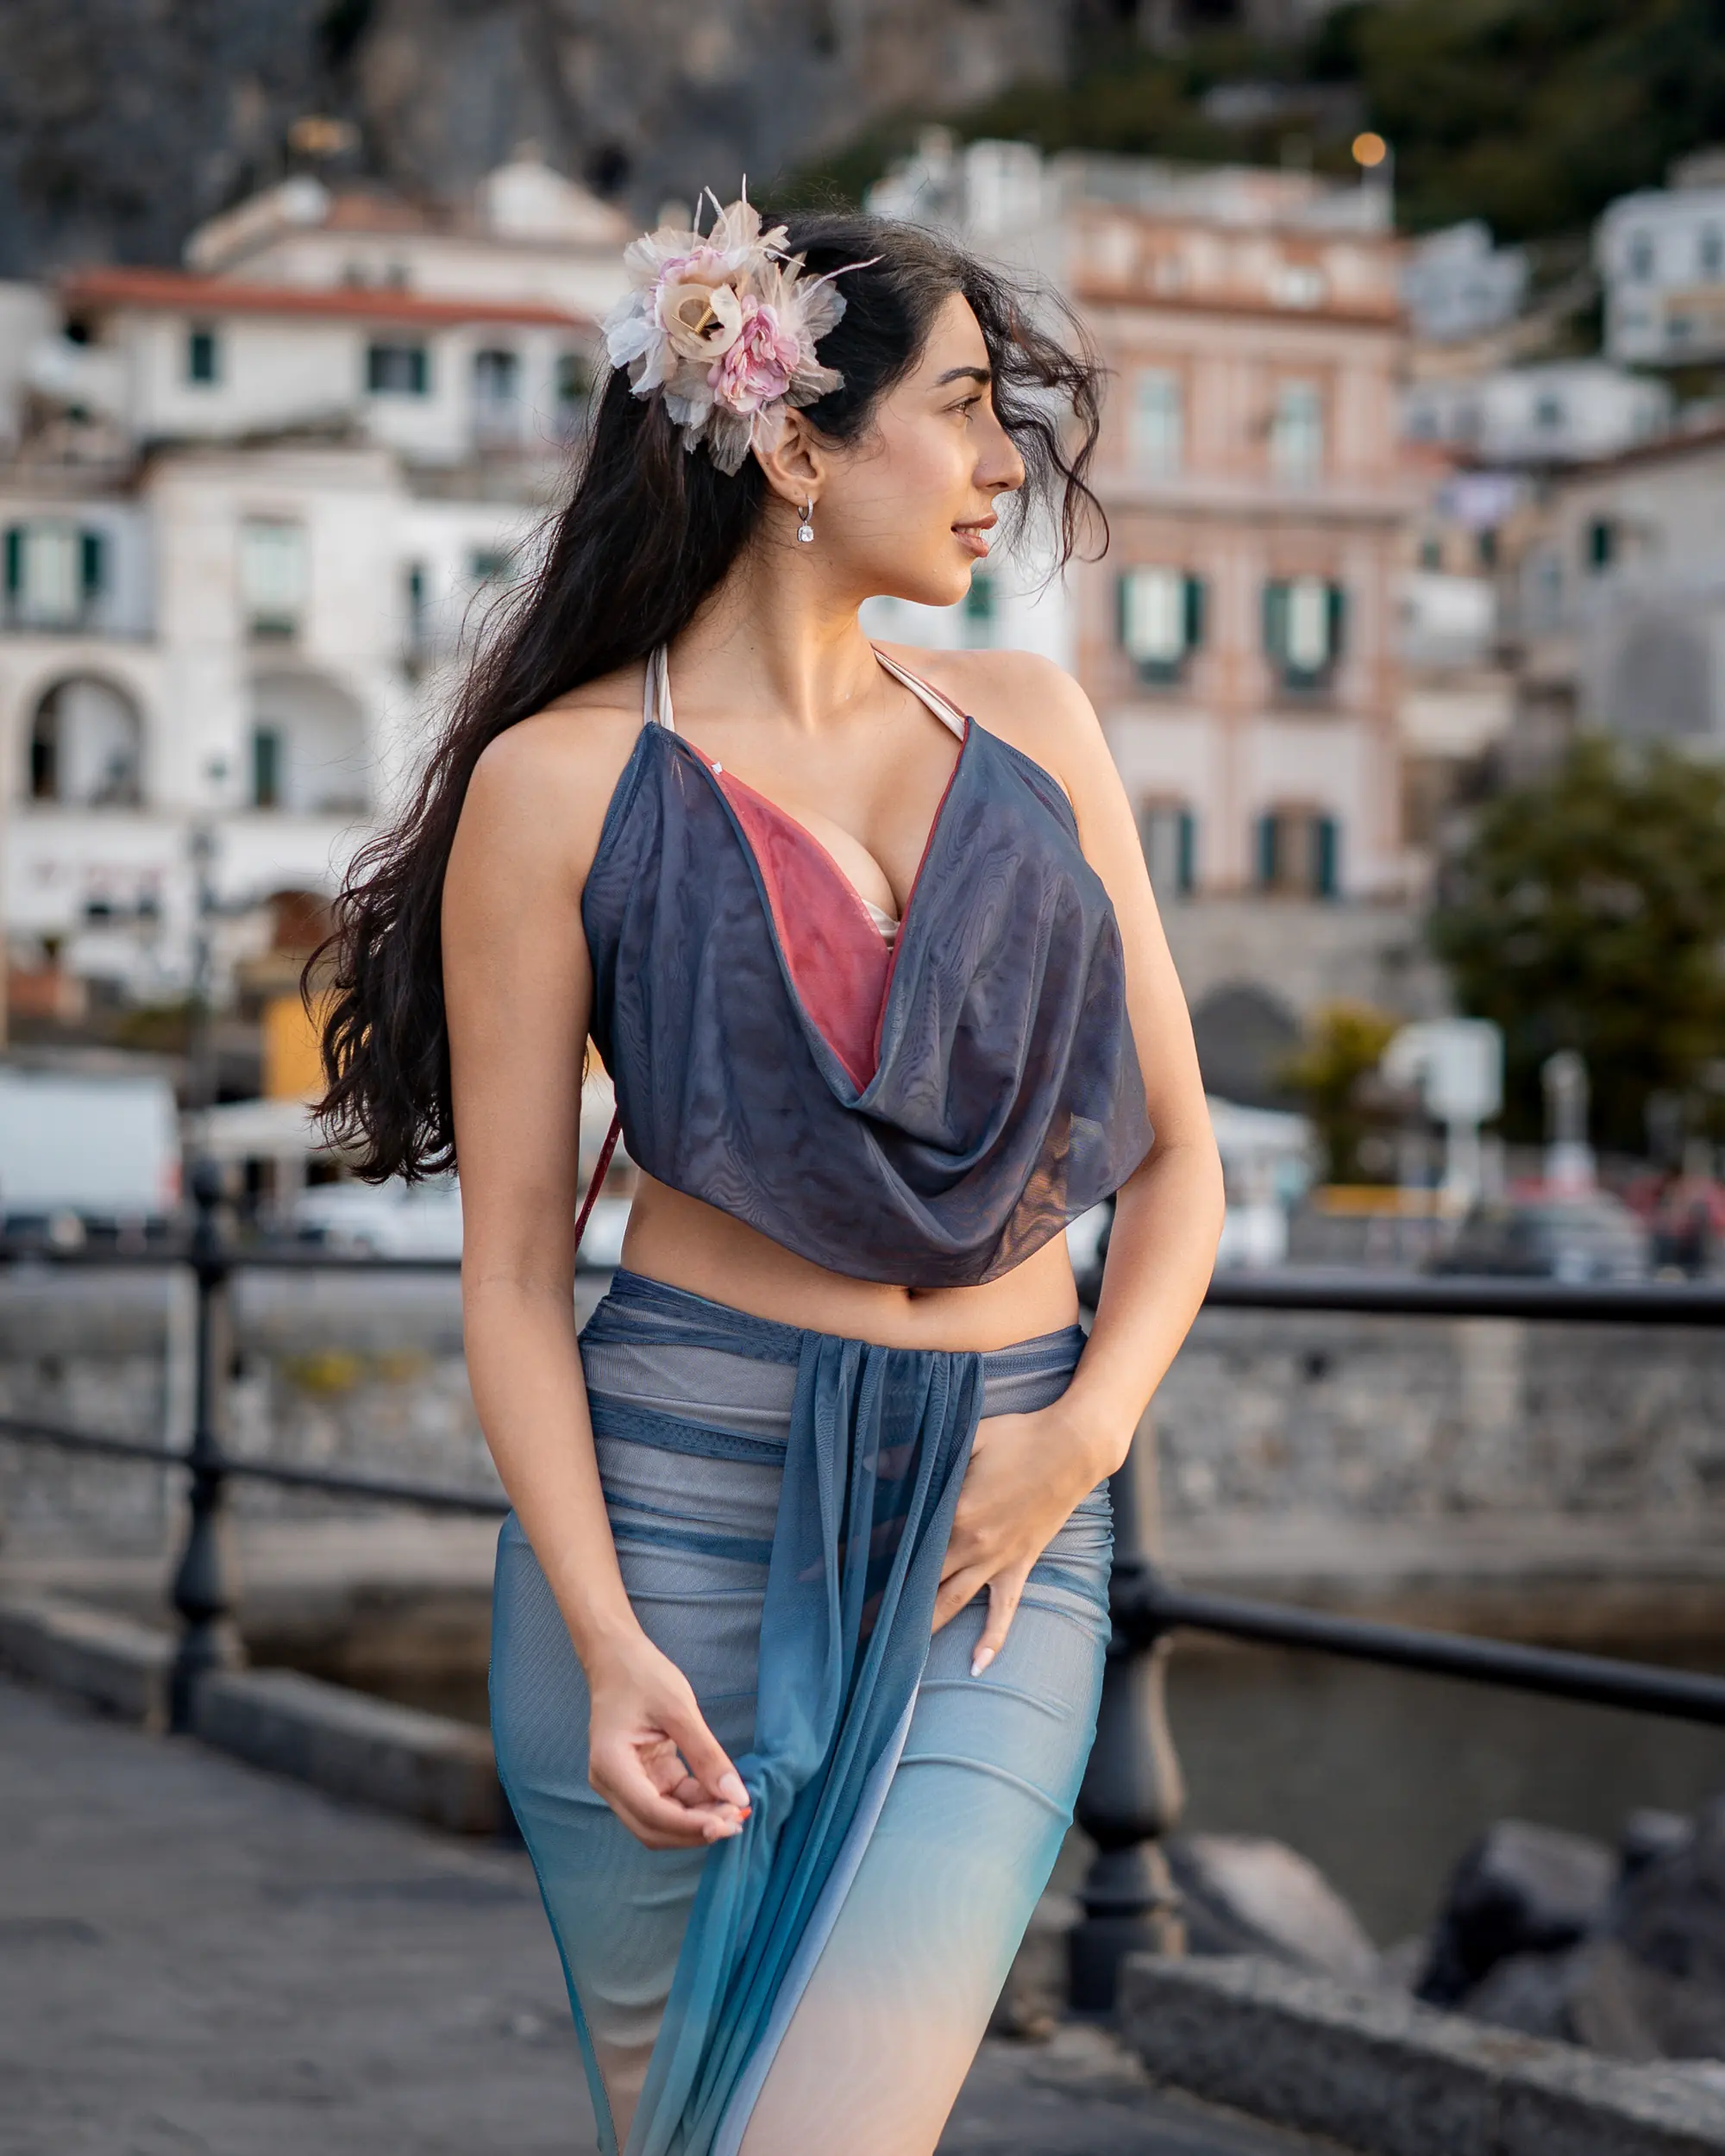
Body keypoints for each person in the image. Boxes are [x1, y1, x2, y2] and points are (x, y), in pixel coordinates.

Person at [312, 191, 1223, 2156]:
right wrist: (607, 1629)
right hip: (669, 1533)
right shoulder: (556, 783)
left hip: (1004, 1536)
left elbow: (1182, 1160)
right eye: (966, 406)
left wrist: (1081, 1441)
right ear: (796, 442)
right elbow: (508, 1278)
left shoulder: (1040, 723)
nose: (1003, 466)